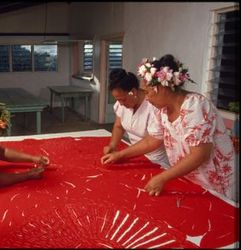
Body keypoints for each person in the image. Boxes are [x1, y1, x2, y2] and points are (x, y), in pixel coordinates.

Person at [101, 54, 237, 202]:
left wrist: (163, 177)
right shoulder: (162, 110)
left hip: (213, 178)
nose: (146, 98)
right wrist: (119, 155)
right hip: (187, 174)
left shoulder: (195, 107)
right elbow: (151, 140)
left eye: (147, 92)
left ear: (162, 88)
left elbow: (199, 155)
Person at [101, 68, 169, 168]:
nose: (120, 103)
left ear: (132, 92)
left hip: (155, 160)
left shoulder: (153, 106)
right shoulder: (122, 103)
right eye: (117, 100)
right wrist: (112, 145)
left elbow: (153, 140)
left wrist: (120, 155)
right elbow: (119, 126)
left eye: (122, 99)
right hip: (133, 154)